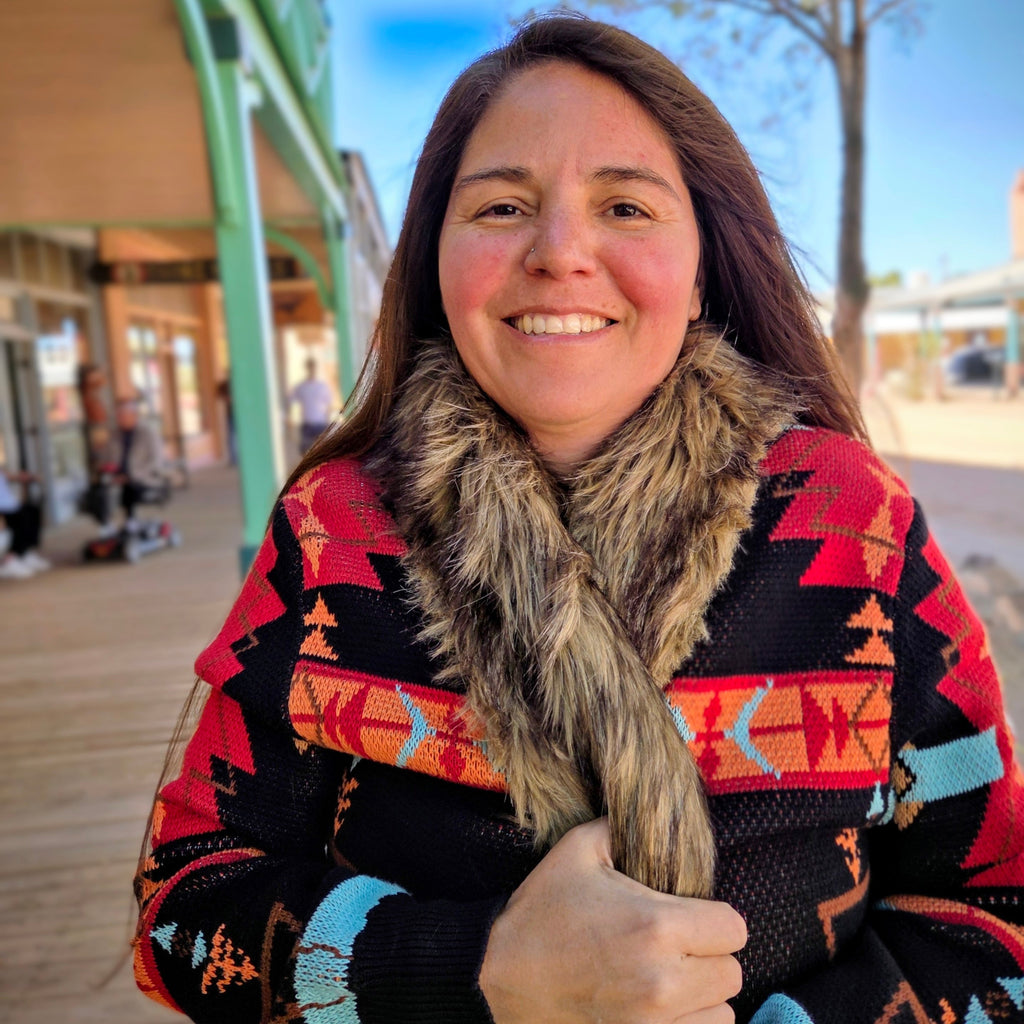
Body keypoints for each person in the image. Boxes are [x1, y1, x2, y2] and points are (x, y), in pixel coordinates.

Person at [133, 15, 1024, 1024]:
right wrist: (474, 969)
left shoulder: (855, 522)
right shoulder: (330, 532)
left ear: (700, 273)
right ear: (436, 261)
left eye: (626, 207)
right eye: (504, 204)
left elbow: (992, 919)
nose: (559, 252)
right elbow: (182, 902)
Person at [101, 397, 167, 532]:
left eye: (124, 416)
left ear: (134, 416)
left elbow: (156, 461)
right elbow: (106, 459)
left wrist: (131, 476)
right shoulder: (115, 435)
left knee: (128, 488)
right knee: (98, 492)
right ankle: (106, 523)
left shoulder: (148, 433)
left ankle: (131, 520)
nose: (120, 419)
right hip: (117, 478)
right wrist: (109, 471)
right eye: (119, 416)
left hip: (144, 478)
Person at [0, 466, 49, 579]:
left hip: (10, 504)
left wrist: (24, 477)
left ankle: (24, 552)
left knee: (33, 511)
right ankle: (9, 559)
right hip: (4, 507)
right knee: (22, 520)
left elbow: (8, 476)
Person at [287, 356, 334, 454]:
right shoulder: (301, 387)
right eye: (310, 367)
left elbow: (329, 405)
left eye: (313, 367)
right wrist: (289, 419)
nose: (312, 369)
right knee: (305, 452)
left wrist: (328, 420)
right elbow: (291, 401)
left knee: (322, 452)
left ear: (315, 368)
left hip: (320, 423)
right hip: (307, 424)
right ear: (307, 368)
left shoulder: (322, 386)